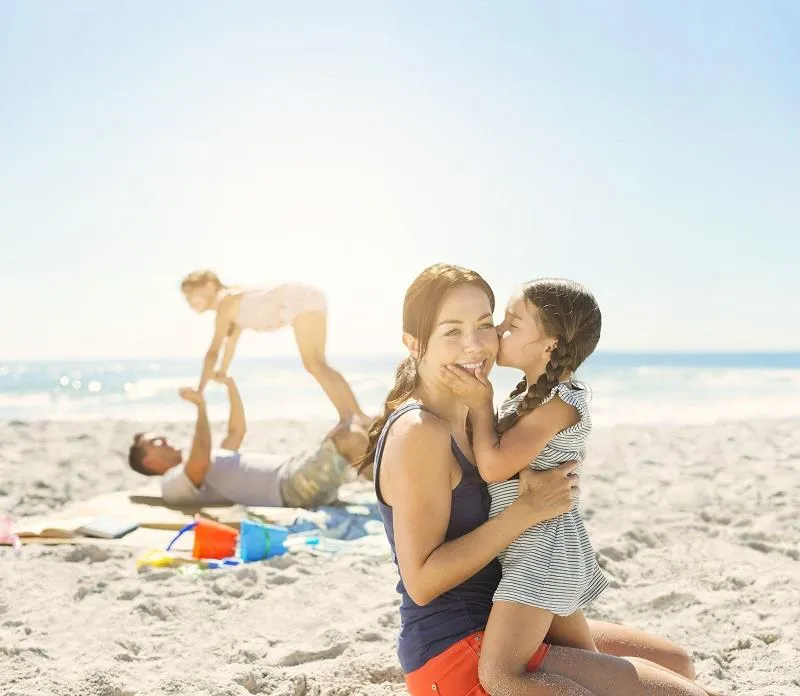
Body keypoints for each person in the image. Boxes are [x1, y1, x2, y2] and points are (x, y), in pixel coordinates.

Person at [355, 263, 720, 696]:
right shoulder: (421, 433)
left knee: (676, 663)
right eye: (451, 331)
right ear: (414, 343)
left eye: (484, 325)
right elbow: (422, 582)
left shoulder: (477, 415)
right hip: (459, 648)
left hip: (510, 611)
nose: (474, 345)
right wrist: (526, 512)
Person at [438, 278, 608, 686]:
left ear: (550, 344)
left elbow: (494, 467)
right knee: (597, 672)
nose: (497, 331)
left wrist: (481, 403)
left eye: (511, 324)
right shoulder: (531, 397)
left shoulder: (559, 403)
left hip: (541, 558)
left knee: (499, 674)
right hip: (542, 551)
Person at [128, 374, 367, 509]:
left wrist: (231, 386)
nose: (165, 440)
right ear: (149, 462)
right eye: (156, 442)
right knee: (351, 437)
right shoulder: (172, 483)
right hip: (291, 489)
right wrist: (201, 407)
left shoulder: (209, 461)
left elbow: (237, 430)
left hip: (296, 471)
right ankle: (392, 495)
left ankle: (388, 487)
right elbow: (199, 460)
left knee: (366, 429)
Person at [179, 270, 369, 427]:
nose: (188, 300)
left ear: (210, 286)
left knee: (315, 363)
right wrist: (222, 371)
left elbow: (213, 351)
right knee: (317, 363)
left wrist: (200, 390)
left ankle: (353, 416)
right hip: (306, 298)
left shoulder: (226, 301)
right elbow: (229, 346)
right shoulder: (231, 311)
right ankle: (353, 416)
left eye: (191, 293)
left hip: (299, 301)